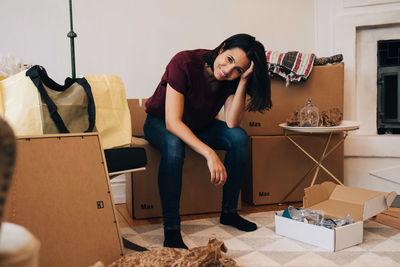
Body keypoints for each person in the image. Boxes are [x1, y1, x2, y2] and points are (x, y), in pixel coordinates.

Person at [144, 33, 272, 249]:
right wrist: (210, 154)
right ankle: (172, 229)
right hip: (160, 122)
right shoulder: (183, 62)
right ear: (222, 48)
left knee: (239, 137)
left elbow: (232, 123)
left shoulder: (232, 79)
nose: (227, 71)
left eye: (237, 70)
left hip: (200, 125)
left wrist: (242, 81)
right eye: (229, 60)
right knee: (174, 145)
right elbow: (173, 123)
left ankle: (229, 212)